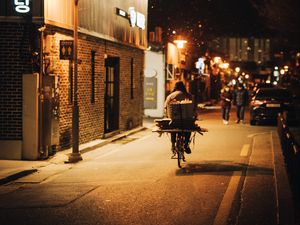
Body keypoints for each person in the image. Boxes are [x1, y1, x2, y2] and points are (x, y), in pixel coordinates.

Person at [164, 81, 193, 154]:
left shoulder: (171, 96)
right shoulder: (189, 96)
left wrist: (167, 115)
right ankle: (186, 144)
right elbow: (193, 107)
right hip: (186, 121)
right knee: (188, 129)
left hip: (175, 120)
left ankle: (173, 144)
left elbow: (165, 107)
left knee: (173, 129)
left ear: (175, 87)